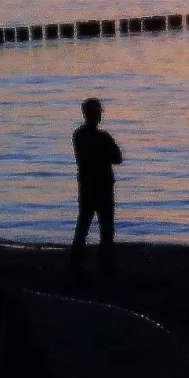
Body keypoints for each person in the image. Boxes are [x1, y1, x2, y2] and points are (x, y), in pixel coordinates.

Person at [71, 97, 122, 277]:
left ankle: (76, 264)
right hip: (102, 188)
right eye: (98, 112)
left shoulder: (78, 136)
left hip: (86, 187)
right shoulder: (102, 138)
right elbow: (118, 158)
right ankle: (106, 267)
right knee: (105, 229)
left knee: (83, 226)